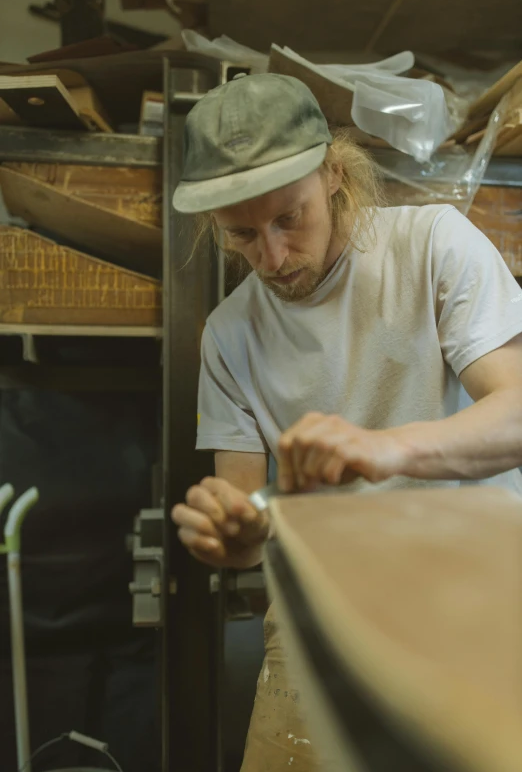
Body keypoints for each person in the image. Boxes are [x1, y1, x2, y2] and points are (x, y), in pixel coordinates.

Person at [171, 72, 522, 771]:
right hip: (325, 609)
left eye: (289, 219)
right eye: (243, 233)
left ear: (333, 172)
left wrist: (385, 450)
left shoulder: (431, 247)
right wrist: (234, 532)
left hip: (482, 585)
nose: (272, 258)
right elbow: (247, 521)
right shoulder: (227, 336)